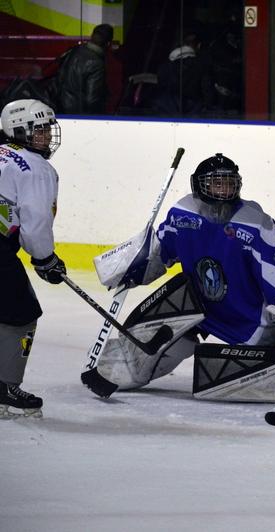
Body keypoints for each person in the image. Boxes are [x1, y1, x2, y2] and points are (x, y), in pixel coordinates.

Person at [94, 153, 275, 402]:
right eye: (216, 183)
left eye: (229, 183)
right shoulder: (182, 214)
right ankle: (124, 367)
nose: (224, 190)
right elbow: (159, 253)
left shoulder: (257, 224)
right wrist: (131, 265)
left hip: (249, 321)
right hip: (197, 309)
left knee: (258, 380)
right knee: (161, 342)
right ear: (199, 186)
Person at [0, 99, 66, 418]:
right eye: (38, 130)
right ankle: (5, 388)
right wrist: (45, 259)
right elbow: (36, 224)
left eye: (47, 129)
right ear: (18, 130)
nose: (47, 136)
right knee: (22, 313)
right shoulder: (37, 168)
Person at [55, 23, 113, 114]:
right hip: (80, 114)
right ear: (108, 43)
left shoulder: (74, 51)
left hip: (62, 108)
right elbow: (92, 100)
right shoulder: (97, 63)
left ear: (92, 36)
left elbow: (59, 78)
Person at [154, 32, 213, 116]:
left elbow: (160, 90)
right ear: (199, 46)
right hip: (194, 114)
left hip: (165, 113)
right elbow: (207, 92)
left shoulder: (164, 66)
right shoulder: (202, 66)